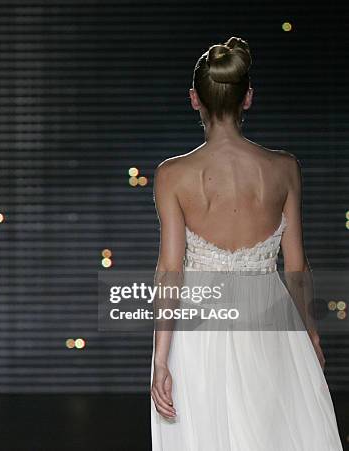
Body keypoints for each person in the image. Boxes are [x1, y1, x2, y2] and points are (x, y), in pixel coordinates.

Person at [149, 37, 343, 450]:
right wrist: (310, 334)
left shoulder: (172, 174)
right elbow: (297, 267)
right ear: (247, 98)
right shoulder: (284, 169)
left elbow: (170, 269)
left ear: (194, 100)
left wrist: (161, 358)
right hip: (273, 323)